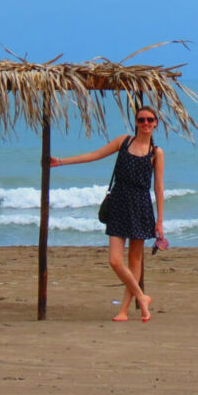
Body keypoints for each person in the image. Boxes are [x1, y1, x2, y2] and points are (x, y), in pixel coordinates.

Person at [49, 106, 165, 322]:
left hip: (141, 205)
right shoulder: (124, 142)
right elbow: (95, 155)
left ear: (156, 123)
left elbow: (158, 187)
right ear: (136, 122)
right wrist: (61, 162)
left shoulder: (156, 153)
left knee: (135, 261)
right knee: (114, 260)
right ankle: (142, 297)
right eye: (142, 120)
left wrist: (160, 221)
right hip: (120, 202)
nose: (146, 123)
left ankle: (123, 311)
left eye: (150, 120)